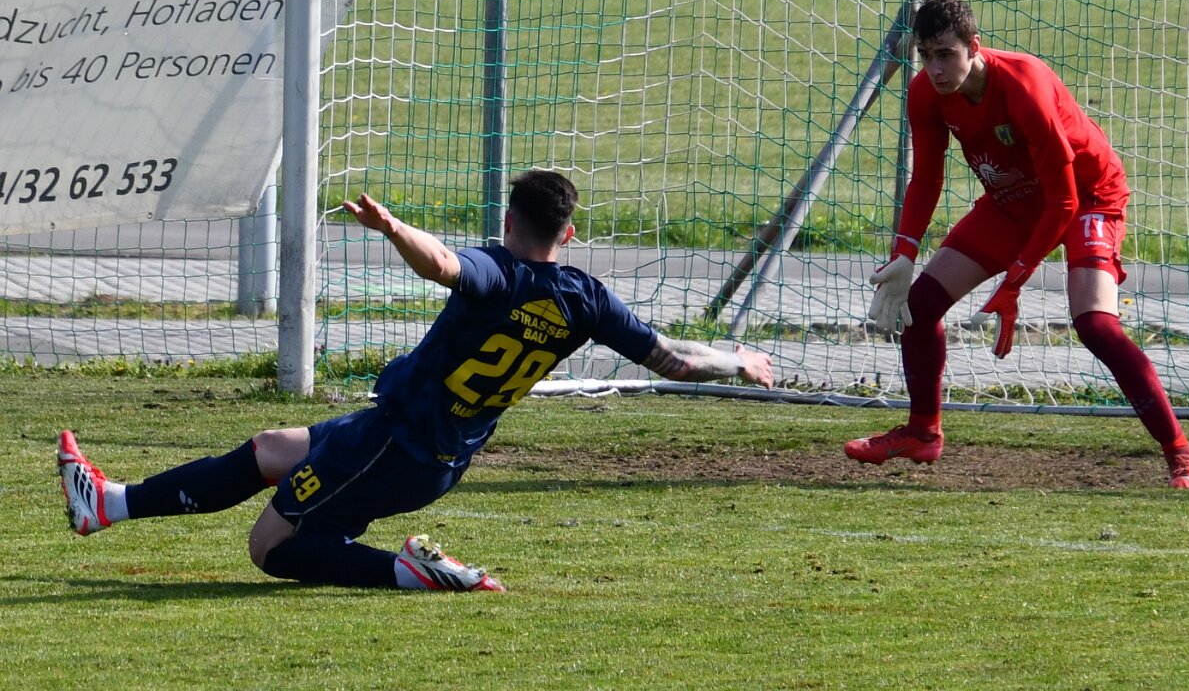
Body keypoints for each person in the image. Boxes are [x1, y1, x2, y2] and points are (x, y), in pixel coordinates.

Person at [59, 168, 774, 591]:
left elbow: (444, 265)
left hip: (392, 443)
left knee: (269, 550)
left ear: (507, 220)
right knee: (273, 447)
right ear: (568, 233)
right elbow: (673, 360)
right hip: (428, 449)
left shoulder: (498, 273)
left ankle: (413, 572)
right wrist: (737, 361)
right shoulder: (586, 299)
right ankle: (107, 504)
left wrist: (395, 228)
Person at [844, 0, 1189, 489]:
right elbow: (926, 178)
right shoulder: (926, 93)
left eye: (946, 54)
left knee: (1096, 325)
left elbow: (1064, 201)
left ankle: (1182, 453)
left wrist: (1015, 280)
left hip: (1087, 196)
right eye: (926, 56)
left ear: (975, 46)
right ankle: (922, 433)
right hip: (1014, 202)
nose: (935, 68)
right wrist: (904, 252)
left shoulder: (1024, 84)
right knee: (920, 307)